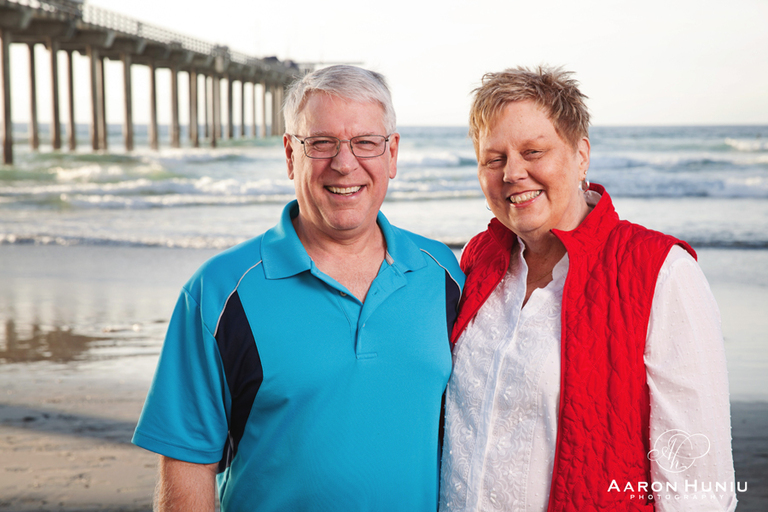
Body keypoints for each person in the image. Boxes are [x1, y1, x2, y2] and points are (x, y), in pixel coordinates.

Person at [132, 65, 463, 512]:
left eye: (365, 142)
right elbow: (188, 465)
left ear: (392, 154)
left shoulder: (442, 274)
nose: (345, 164)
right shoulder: (218, 293)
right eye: (321, 143)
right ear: (291, 155)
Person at [439, 66, 736, 512]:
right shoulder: (478, 259)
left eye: (533, 151)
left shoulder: (661, 272)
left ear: (581, 155)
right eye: (493, 158)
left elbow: (699, 490)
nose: (513, 173)